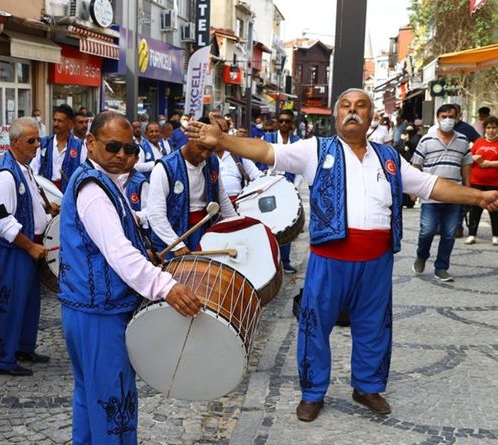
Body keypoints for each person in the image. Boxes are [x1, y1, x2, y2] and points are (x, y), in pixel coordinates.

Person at [185, 88, 498, 423]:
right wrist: (223, 141)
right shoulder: (314, 150)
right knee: (314, 326)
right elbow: (266, 151)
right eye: (345, 106)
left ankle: (367, 386)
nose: (352, 111)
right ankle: (313, 392)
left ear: (371, 116)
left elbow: (429, 185)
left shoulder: (389, 158)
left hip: (376, 261)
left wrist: (477, 198)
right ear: (336, 115)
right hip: (329, 259)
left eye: (360, 106)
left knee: (374, 326)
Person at [58, 111, 202, 445]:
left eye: (129, 148)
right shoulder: (93, 189)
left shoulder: (103, 181)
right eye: (113, 147)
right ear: (90, 143)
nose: (122, 155)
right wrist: (166, 286)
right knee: (114, 406)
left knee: (90, 398)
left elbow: (123, 231)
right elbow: (118, 252)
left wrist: (146, 247)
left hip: (88, 311)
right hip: (99, 315)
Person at [0, 116, 53, 377]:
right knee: (12, 303)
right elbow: (2, 220)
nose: (37, 145)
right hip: (17, 250)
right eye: (31, 140)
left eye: (38, 139)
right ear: (14, 142)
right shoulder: (5, 175)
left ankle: (24, 347)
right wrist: (30, 247)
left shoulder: (23, 167)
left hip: (28, 247)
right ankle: (2, 359)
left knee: (29, 302)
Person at [147, 117, 238, 259]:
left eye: (210, 150)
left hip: (204, 230)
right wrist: (176, 244)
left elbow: (221, 197)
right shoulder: (165, 168)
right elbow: (155, 213)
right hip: (172, 236)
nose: (205, 155)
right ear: (190, 137)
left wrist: (237, 225)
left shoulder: (212, 161)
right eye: (201, 148)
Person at [411, 104, 473, 282]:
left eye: (451, 116)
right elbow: (416, 165)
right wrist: (414, 188)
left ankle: (441, 268)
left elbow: (466, 166)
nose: (447, 120)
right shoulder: (426, 140)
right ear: (437, 118)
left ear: (457, 117)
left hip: (454, 195)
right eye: (444, 116)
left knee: (449, 233)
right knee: (427, 231)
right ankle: (422, 255)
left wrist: (467, 191)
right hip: (430, 193)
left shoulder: (462, 140)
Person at [264, 109, 302, 274]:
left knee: (286, 223)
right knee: (267, 224)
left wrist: (294, 187)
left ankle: (284, 261)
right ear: (277, 122)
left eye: (287, 121)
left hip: (288, 186)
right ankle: (268, 261)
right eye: (281, 121)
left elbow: (300, 167)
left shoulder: (297, 141)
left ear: (291, 123)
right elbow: (259, 161)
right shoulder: (268, 138)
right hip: (269, 186)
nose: (284, 124)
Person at [31, 104, 84, 191]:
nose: (56, 124)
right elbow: (34, 170)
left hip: (69, 192)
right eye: (55, 120)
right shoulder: (44, 143)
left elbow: (83, 173)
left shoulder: (79, 146)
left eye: (60, 121)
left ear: (69, 123)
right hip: (47, 191)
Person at [465, 116, 498, 245]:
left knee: (494, 210)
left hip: (494, 184)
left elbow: (487, 163)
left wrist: (488, 163)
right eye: (488, 128)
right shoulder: (478, 142)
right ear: (484, 129)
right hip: (476, 182)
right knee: (475, 210)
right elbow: (468, 158)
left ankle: (496, 235)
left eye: (494, 128)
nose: (491, 131)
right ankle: (472, 234)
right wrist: (474, 158)